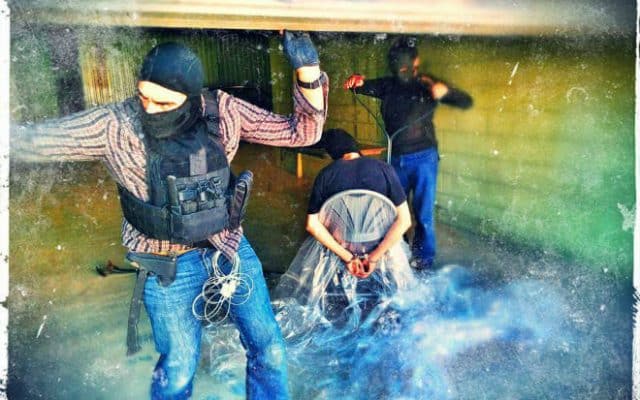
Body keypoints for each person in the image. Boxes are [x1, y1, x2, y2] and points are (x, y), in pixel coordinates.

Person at [12, 32, 327, 400]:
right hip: (165, 266)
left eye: (163, 102)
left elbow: (303, 132)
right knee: (177, 365)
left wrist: (308, 71)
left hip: (228, 248)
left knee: (268, 346)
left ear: (191, 97)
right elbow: (32, 141)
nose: (150, 108)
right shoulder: (115, 126)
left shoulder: (222, 110)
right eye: (143, 97)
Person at [343, 37, 473, 269]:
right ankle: (399, 256)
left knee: (423, 213)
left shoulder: (427, 84)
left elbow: (465, 101)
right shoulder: (387, 85)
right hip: (396, 159)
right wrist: (357, 80)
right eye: (397, 62)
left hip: (424, 159)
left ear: (416, 62)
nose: (401, 67)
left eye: (406, 62)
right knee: (395, 212)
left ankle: (424, 260)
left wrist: (445, 92)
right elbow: (360, 85)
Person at [273, 129, 414, 330]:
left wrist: (348, 257)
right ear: (356, 148)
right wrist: (374, 257)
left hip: (342, 245)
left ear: (332, 154)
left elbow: (312, 225)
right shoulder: (384, 169)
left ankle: (337, 309)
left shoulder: (326, 175)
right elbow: (404, 221)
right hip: (377, 244)